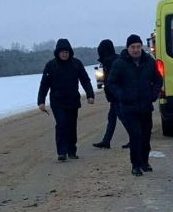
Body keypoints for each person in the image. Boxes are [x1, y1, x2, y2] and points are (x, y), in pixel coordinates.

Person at [108, 34, 163, 176]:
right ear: (128, 48)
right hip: (128, 107)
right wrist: (122, 95)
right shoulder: (120, 64)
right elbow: (111, 83)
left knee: (145, 136)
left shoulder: (149, 61)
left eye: (138, 47)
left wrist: (154, 94)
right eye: (133, 47)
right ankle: (136, 165)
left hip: (145, 106)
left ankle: (145, 162)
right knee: (135, 135)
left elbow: (158, 79)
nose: (136, 50)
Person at [37, 38, 95, 161]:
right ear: (58, 52)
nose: (64, 54)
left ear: (70, 52)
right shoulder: (51, 65)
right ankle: (62, 152)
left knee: (71, 126)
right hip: (57, 101)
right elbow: (44, 84)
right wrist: (41, 101)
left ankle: (72, 151)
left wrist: (90, 94)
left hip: (73, 100)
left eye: (67, 52)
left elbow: (85, 80)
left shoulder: (76, 64)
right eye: (62, 52)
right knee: (62, 124)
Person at [92, 39, 120, 149]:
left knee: (123, 118)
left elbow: (109, 80)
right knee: (113, 117)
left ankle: (135, 138)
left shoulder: (108, 62)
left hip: (116, 95)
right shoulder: (116, 60)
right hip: (117, 94)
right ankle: (106, 140)